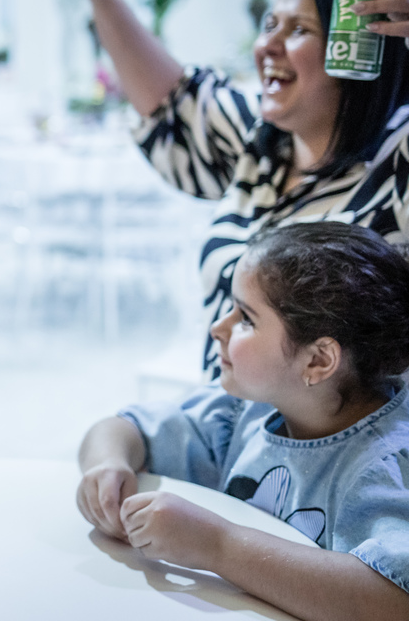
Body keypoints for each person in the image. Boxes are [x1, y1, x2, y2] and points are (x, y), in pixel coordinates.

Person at [48, 0, 409, 380]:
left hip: (340, 450)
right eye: (269, 25)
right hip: (226, 432)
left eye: (298, 29)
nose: (267, 46)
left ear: (354, 53)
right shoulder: (262, 144)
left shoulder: (396, 160)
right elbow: (171, 101)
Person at [77, 222, 409, 621]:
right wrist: (107, 465)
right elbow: (121, 428)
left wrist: (217, 545)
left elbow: (393, 601)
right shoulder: (246, 413)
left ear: (318, 360)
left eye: (246, 319)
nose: (219, 328)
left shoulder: (384, 466)